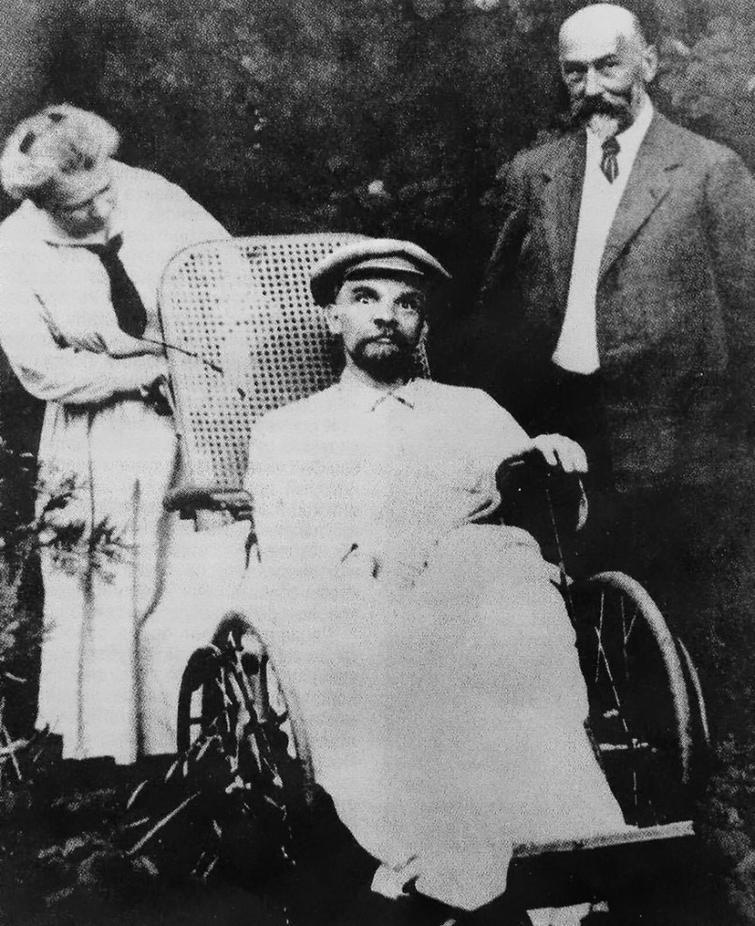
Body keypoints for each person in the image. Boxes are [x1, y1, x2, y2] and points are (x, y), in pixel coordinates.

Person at [235, 239, 628, 922]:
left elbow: (542, 514)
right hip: (359, 628)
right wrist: (403, 558)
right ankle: (477, 864)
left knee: (500, 560)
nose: (386, 315)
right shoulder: (288, 431)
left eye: (407, 303)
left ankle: (571, 854)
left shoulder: (471, 410)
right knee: (465, 583)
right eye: (365, 298)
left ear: (423, 326)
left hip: (481, 628)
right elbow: (295, 561)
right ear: (332, 317)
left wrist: (549, 457)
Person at [477, 4, 755, 705]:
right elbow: (491, 306)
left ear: (648, 64)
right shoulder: (532, 174)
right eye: (575, 72)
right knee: (575, 599)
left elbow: (748, 314)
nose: (593, 87)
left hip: (677, 428)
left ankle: (690, 745)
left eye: (609, 66)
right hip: (564, 420)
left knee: (678, 615)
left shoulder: (708, 171)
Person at [0, 104, 228, 764]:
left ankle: (203, 733)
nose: (101, 211)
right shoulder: (12, 249)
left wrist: (197, 367)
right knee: (109, 580)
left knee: (193, 567)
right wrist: (136, 375)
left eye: (104, 190)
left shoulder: (155, 195)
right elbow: (40, 368)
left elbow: (231, 281)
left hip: (194, 411)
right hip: (96, 431)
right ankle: (111, 748)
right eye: (77, 207)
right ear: (40, 201)